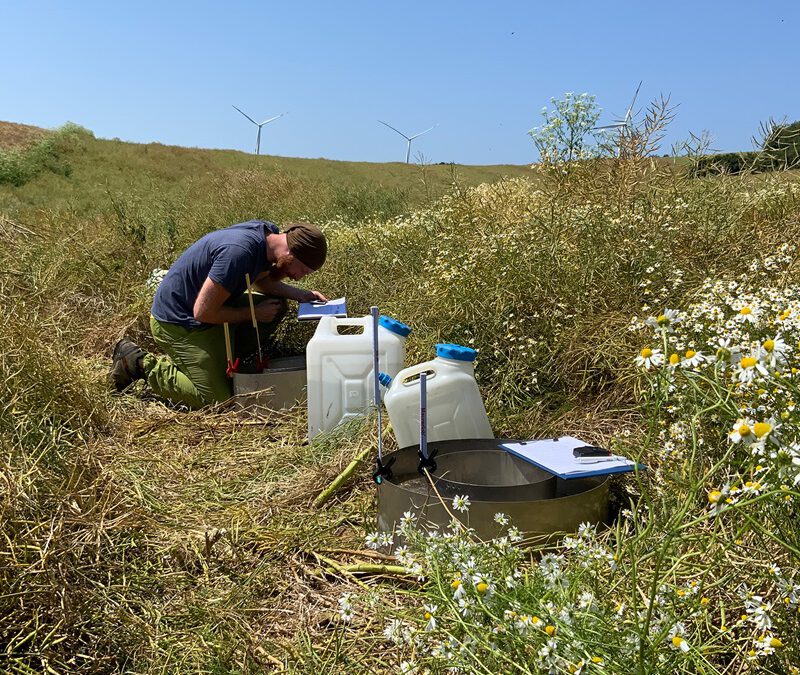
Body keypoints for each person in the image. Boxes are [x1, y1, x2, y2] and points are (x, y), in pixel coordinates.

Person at [110, 219, 328, 408]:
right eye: (303, 270)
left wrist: (301, 295)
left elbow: (262, 282)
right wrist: (253, 314)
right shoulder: (239, 253)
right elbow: (203, 312)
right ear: (292, 253)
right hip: (179, 322)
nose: (299, 277)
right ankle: (138, 362)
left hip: (211, 310)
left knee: (277, 305)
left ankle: (220, 360)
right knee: (216, 399)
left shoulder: (268, 238)